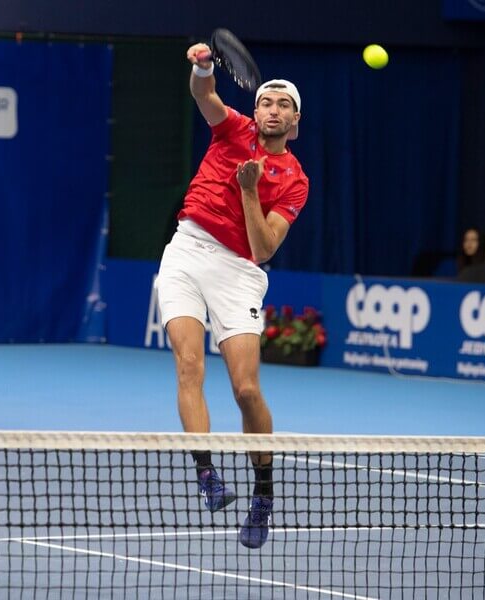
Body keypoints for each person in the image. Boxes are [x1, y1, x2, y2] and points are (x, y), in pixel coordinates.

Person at [155, 45, 309, 549]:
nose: (273, 108)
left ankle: (263, 494)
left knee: (245, 390)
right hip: (186, 249)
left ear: (295, 122)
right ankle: (207, 475)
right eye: (267, 101)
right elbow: (206, 95)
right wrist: (203, 67)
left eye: (284, 104)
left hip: (239, 270)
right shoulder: (234, 128)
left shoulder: (295, 181)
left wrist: (249, 190)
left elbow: (264, 250)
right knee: (188, 366)